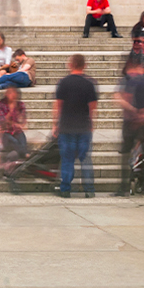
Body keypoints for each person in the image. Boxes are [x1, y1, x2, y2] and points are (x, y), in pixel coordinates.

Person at [114, 55, 144, 196]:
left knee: (126, 153)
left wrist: (133, 110)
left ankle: (124, 187)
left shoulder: (128, 80)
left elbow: (119, 97)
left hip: (130, 122)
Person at [54, 53, 99, 198]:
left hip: (66, 127)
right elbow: (93, 107)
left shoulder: (64, 82)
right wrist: (91, 124)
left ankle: (65, 189)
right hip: (84, 127)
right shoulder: (89, 83)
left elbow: (58, 106)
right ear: (84, 65)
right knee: (85, 159)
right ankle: (89, 190)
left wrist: (56, 125)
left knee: (67, 159)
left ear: (70, 65)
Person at [0, 87, 28, 164]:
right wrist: (11, 111)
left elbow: (22, 121)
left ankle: (11, 157)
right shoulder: (0, 104)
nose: (12, 95)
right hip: (5, 132)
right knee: (15, 143)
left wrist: (16, 123)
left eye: (14, 93)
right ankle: (26, 155)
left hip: (17, 131)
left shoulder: (20, 105)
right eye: (10, 92)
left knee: (21, 143)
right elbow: (2, 122)